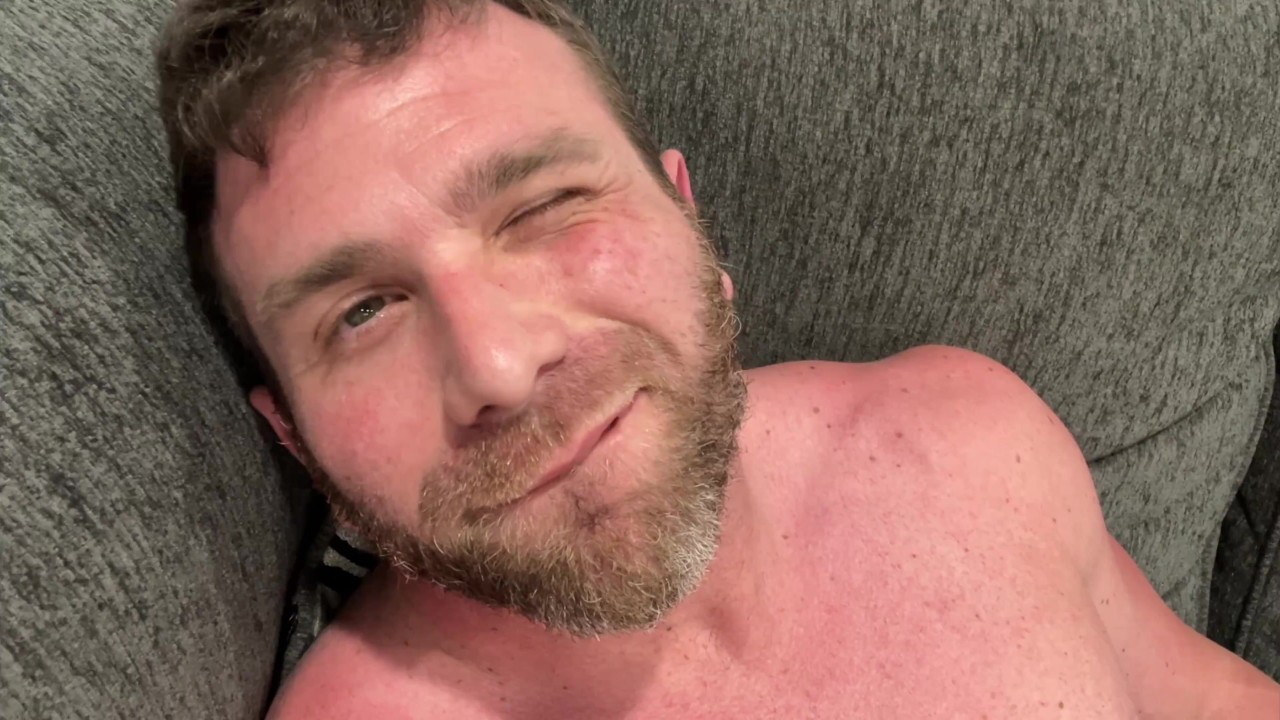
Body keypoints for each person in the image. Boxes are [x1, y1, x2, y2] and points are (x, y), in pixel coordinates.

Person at [155, 1, 1279, 717]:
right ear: (294, 438)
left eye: (542, 206)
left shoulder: (972, 440)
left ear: (688, 220)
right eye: (362, 312)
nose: (497, 363)